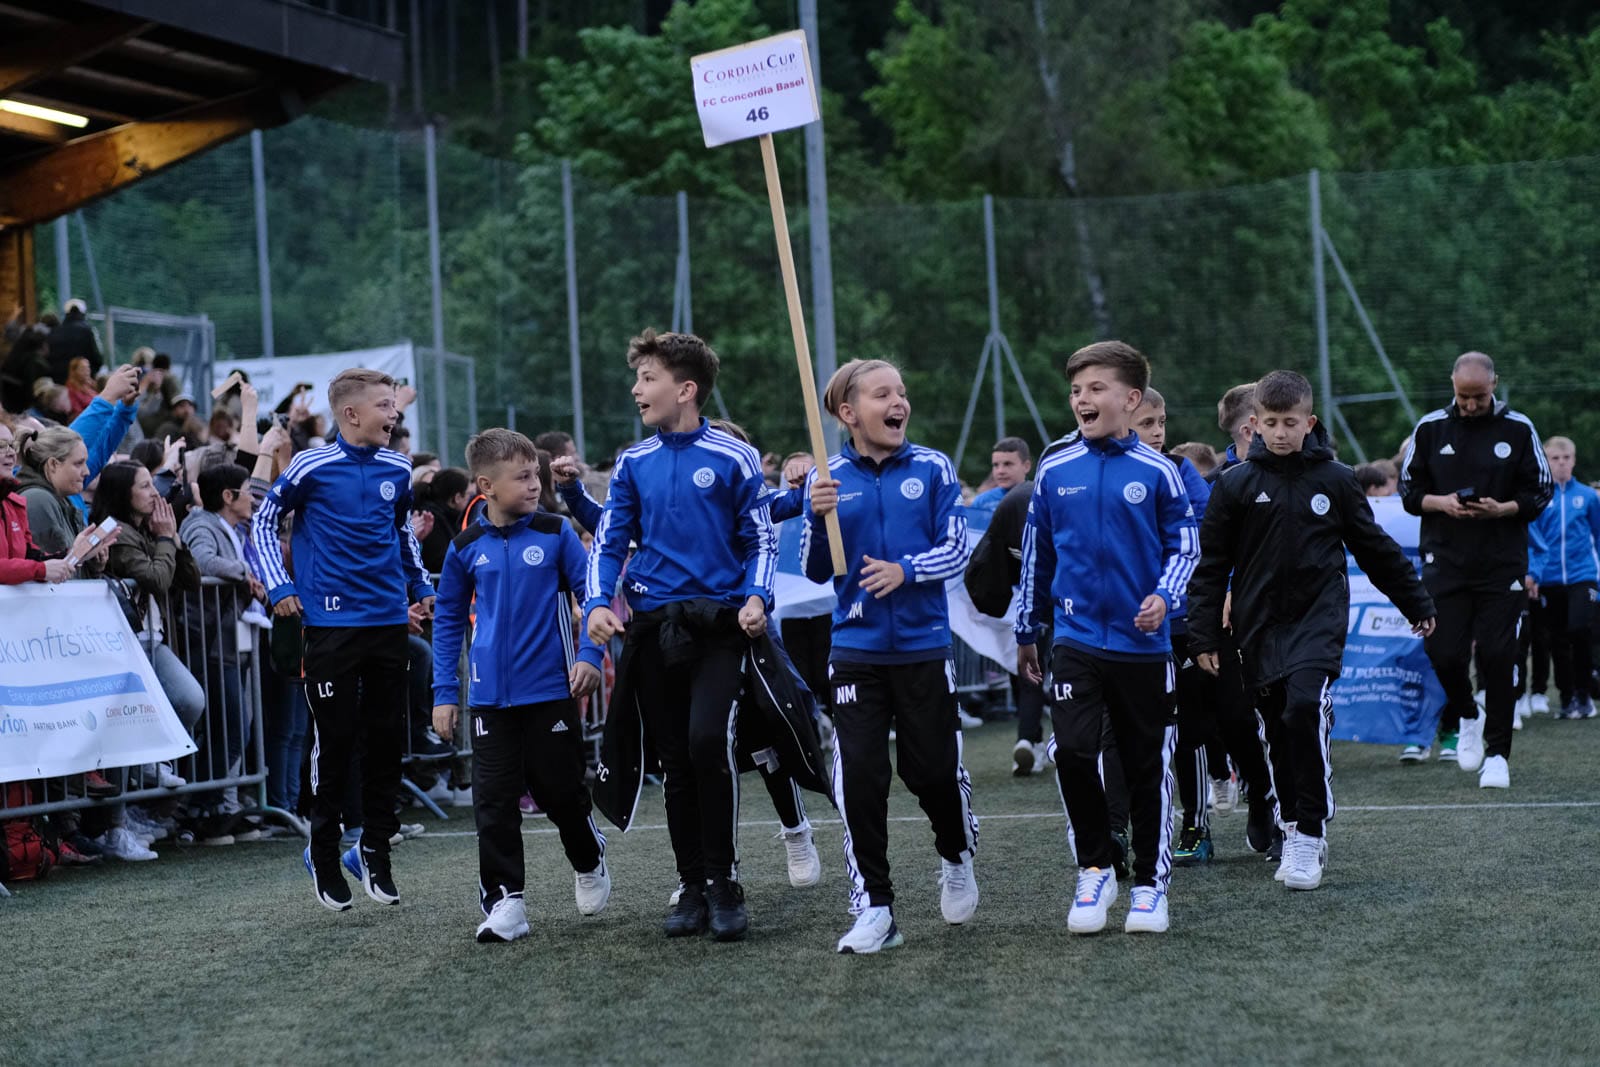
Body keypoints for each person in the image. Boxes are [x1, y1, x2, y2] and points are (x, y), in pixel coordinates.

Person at [1189, 371, 1435, 890]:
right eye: (1271, 423)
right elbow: (1210, 566)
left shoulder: (1337, 480)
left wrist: (1415, 601)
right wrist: (1204, 635)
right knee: (1278, 728)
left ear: (1309, 422)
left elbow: (1375, 549)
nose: (1280, 433)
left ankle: (1308, 832)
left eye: (1290, 423)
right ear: (1254, 425)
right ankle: (1288, 820)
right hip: (1258, 626)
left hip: (1318, 619)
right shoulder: (1234, 485)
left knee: (1304, 706)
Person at [584, 329, 776, 942]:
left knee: (705, 742)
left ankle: (724, 881)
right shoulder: (632, 463)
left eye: (648, 378)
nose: (636, 389)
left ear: (686, 389)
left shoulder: (735, 457)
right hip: (652, 629)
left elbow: (761, 538)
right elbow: (609, 541)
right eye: (637, 378)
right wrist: (596, 603)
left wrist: (757, 596)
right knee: (673, 759)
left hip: (720, 628)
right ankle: (691, 884)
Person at [1016, 341, 1197, 935]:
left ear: (1131, 398)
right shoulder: (1054, 468)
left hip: (1142, 646)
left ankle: (1148, 884)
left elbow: (1185, 547)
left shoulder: (1159, 471)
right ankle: (1095, 868)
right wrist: (1026, 628)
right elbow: (1038, 555)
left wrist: (1164, 597)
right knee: (1071, 751)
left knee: (1145, 766)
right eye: (1076, 390)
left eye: (1096, 388)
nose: (1082, 399)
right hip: (1074, 639)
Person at [803, 358, 978, 954]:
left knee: (931, 773)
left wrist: (906, 570)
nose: (898, 402)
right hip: (855, 649)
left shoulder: (932, 467)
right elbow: (815, 570)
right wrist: (817, 516)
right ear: (849, 413)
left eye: (901, 392)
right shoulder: (826, 478)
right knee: (859, 777)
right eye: (883, 394)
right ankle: (874, 906)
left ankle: (955, 852)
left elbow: (956, 549)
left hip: (924, 648)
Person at [253, 368, 436, 911]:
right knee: (334, 741)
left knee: (385, 740)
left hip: (387, 621)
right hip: (331, 627)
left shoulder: (397, 466)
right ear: (351, 414)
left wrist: (419, 584)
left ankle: (374, 849)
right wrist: (279, 586)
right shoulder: (310, 465)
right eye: (385, 405)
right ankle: (324, 850)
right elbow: (262, 523)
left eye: (394, 405)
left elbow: (400, 532)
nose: (394, 414)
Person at [431, 428, 611, 943]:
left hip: (550, 691)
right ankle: (506, 901)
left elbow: (592, 597)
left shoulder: (556, 533)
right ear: (486, 486)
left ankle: (589, 858)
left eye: (537, 475)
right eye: (523, 477)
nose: (535, 485)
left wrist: (589, 656)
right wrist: (445, 694)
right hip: (489, 699)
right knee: (493, 802)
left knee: (561, 794)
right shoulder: (465, 547)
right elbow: (448, 620)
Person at [1399, 352, 1550, 786]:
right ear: (1452, 385)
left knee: (1499, 656)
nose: (1469, 404)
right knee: (1442, 652)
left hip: (1501, 563)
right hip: (1444, 560)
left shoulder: (1519, 428)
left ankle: (1498, 754)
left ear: (1494, 384)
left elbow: (1540, 490)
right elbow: (1409, 490)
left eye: (1478, 397)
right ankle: (1467, 713)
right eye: (1463, 396)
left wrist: (1503, 508)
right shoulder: (1430, 428)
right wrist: (1441, 503)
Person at [1131, 387, 1217, 867]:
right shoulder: (1099, 470)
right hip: (1125, 627)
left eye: (1162, 421)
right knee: (1131, 733)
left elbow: (1205, 540)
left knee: (1189, 729)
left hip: (1180, 623)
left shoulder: (1182, 472)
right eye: (1148, 423)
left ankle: (1197, 825)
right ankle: (1130, 827)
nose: (1159, 432)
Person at [1527, 436, 1599, 719]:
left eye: (1566, 458)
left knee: (1580, 630)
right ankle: (1567, 698)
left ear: (1574, 460)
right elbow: (1532, 541)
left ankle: (1585, 695)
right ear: (1546, 462)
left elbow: (1598, 536)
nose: (1561, 463)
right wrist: (1533, 574)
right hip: (1549, 579)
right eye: (1555, 458)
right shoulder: (1539, 498)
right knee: (1557, 639)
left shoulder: (1588, 496)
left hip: (1583, 576)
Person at [967, 437, 1032, 520]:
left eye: (1008, 464)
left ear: (1026, 466)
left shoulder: (1038, 499)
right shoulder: (981, 502)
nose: (1000, 471)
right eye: (996, 465)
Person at [46, 299, 102, 382]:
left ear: (66, 313)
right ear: (83, 313)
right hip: (82, 381)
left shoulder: (54, 332)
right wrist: (91, 373)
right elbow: (98, 357)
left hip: (59, 380)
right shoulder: (88, 331)